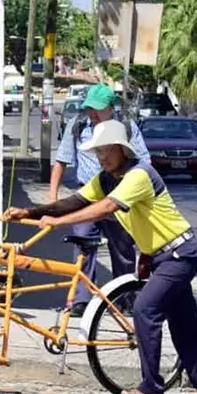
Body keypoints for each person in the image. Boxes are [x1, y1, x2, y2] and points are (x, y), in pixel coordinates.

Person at [5, 119, 197, 394]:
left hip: (179, 253)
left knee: (145, 309)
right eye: (97, 152)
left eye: (106, 151)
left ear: (122, 149)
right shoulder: (105, 178)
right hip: (162, 256)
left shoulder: (139, 175)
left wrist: (59, 223)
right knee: (184, 323)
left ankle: (151, 388)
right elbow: (74, 201)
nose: (101, 157)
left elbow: (106, 207)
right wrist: (29, 212)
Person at [50, 83, 149, 316]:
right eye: (89, 109)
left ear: (110, 108)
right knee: (82, 242)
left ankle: (125, 298)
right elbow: (61, 161)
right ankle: (81, 300)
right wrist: (52, 199)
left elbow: (145, 161)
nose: (92, 114)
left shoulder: (126, 127)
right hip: (88, 194)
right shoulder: (78, 125)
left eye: (97, 109)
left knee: (122, 248)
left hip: (119, 195)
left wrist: (134, 192)